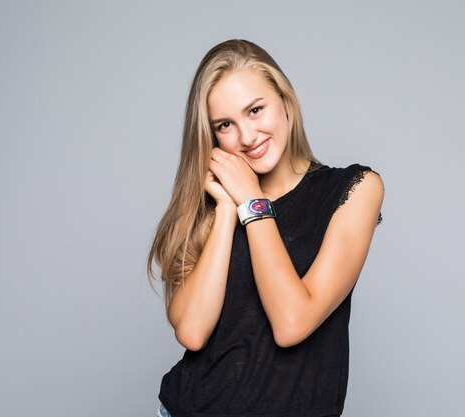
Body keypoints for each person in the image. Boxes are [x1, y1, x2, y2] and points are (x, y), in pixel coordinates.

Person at [147, 39, 384, 417]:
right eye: (225, 124)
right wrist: (227, 207)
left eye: (255, 110)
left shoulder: (353, 189)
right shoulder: (212, 205)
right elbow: (192, 333)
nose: (246, 136)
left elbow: (292, 323)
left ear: (285, 102)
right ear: (212, 137)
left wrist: (252, 203)